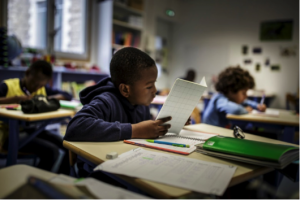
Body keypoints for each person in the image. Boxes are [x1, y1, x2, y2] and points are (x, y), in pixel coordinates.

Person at [64, 47, 172, 142]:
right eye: (149, 86)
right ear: (125, 90)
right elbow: (75, 127)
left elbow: (144, 134)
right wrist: (134, 130)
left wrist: (165, 125)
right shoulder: (106, 101)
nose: (154, 90)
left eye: (154, 83)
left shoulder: (141, 104)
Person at [0, 60, 72, 174]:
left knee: (68, 145)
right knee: (51, 151)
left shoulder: (41, 90)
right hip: (8, 135)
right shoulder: (7, 86)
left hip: (31, 130)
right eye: (34, 83)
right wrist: (16, 99)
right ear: (28, 73)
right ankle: (35, 184)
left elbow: (67, 95)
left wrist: (44, 100)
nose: (36, 88)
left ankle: (61, 179)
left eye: (41, 85)